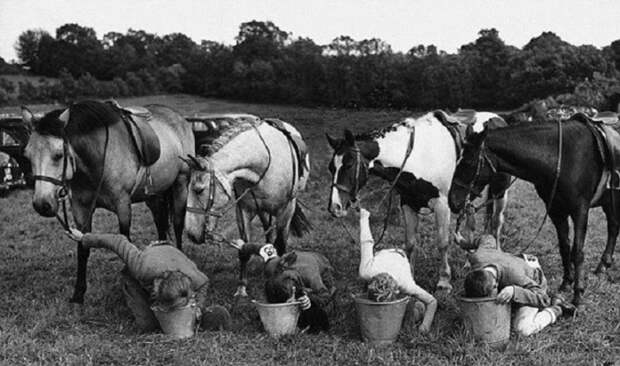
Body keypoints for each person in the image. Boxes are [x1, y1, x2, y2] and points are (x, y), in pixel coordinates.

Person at [65, 228, 231, 334]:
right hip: (141, 270)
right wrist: (84, 238)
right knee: (148, 326)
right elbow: (118, 241)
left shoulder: (194, 278)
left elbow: (204, 283)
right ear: (156, 290)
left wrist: (199, 308)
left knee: (189, 319)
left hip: (171, 253)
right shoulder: (142, 267)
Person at [462, 234, 575, 337]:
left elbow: (542, 298)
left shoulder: (515, 277)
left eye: (488, 296)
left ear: (495, 285)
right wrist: (464, 243)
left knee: (522, 329)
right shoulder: (477, 257)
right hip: (517, 261)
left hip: (533, 280)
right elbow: (487, 238)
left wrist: (515, 292)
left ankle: (557, 308)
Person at [356, 208, 437, 333]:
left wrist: (425, 326)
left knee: (411, 313)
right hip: (382, 255)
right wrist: (363, 217)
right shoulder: (367, 271)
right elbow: (366, 243)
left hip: (400, 258)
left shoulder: (406, 284)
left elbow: (432, 301)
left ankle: (413, 307)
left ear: (397, 290)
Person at [237, 240, 335, 333]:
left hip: (320, 263)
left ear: (294, 291)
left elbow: (325, 296)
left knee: (323, 310)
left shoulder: (311, 277)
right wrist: (243, 247)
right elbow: (265, 248)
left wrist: (310, 299)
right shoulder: (272, 266)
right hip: (297, 259)